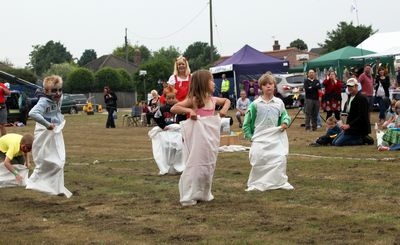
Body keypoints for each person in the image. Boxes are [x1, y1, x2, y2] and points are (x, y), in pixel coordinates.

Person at [171, 69, 230, 206]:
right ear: (203, 83)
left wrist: (223, 111)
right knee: (195, 165)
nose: (214, 83)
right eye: (210, 80)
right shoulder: (194, 100)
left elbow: (226, 101)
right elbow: (174, 108)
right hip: (197, 139)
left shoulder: (213, 99)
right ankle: (190, 192)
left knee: (208, 165)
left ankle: (203, 192)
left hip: (210, 140)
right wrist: (190, 110)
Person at [242, 72, 293, 191]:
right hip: (260, 137)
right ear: (261, 87)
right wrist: (250, 136)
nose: (268, 86)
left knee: (279, 158)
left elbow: (285, 115)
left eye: (270, 84)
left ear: (274, 86)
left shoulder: (279, 103)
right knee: (260, 160)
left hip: (275, 137)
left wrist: (285, 123)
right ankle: (259, 181)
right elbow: (247, 123)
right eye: (265, 84)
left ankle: (277, 181)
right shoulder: (255, 104)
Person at [26, 75, 72, 197]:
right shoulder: (43, 101)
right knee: (44, 160)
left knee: (60, 160)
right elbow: (33, 113)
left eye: (59, 90)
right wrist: (47, 125)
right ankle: (34, 182)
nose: (58, 93)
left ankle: (57, 187)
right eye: (54, 91)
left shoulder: (59, 98)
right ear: (46, 91)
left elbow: (57, 110)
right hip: (44, 131)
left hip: (55, 130)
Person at [149, 86, 185, 175]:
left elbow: (183, 118)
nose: (171, 100)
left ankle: (178, 166)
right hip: (166, 132)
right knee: (166, 148)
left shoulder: (179, 107)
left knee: (178, 148)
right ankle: (166, 167)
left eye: (173, 98)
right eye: (169, 98)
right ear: (165, 98)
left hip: (177, 132)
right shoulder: (162, 108)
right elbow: (156, 116)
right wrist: (163, 126)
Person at [332, 78, 373, 146]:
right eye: (348, 86)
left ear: (356, 86)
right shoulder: (349, 97)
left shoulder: (361, 98)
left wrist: (349, 125)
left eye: (351, 86)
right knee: (334, 142)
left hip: (358, 128)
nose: (349, 88)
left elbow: (362, 116)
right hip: (350, 127)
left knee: (337, 143)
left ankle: (362, 139)